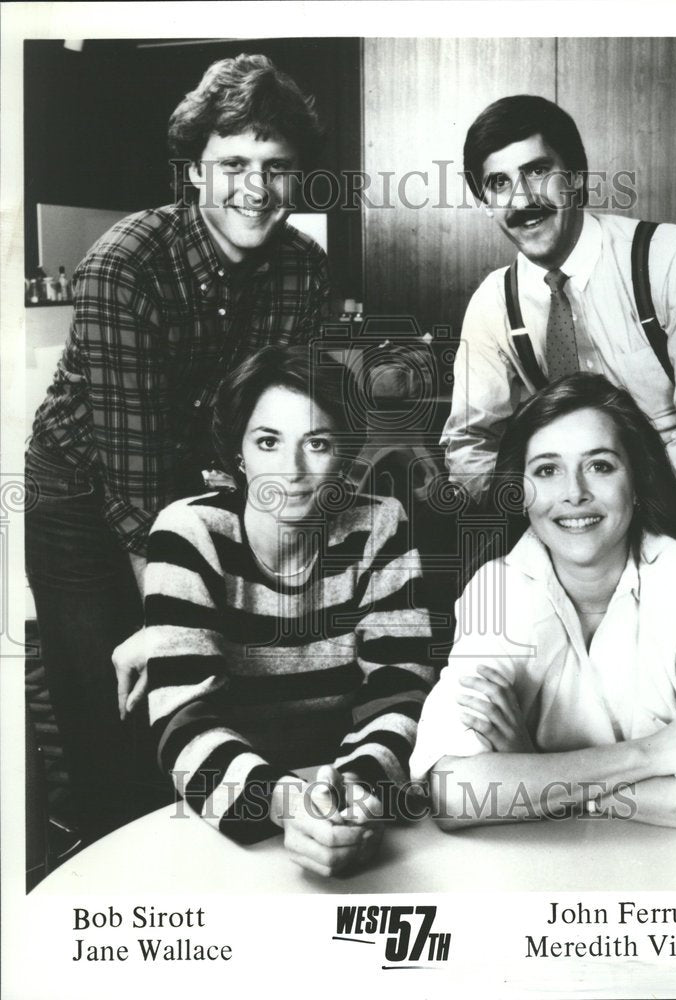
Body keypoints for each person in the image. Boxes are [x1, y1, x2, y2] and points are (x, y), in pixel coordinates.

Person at [25, 53, 330, 844]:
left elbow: (275, 434)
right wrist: (171, 622)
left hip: (193, 485)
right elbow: (131, 485)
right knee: (121, 694)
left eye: (276, 167)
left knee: (213, 682)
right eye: (233, 164)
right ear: (194, 170)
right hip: (84, 499)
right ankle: (96, 843)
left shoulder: (302, 270)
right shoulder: (126, 265)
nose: (255, 187)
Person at [116, 346, 435, 873]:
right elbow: (184, 719)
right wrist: (288, 803)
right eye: (268, 442)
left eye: (317, 443)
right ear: (238, 455)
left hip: (347, 786)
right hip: (226, 802)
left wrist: (356, 795)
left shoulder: (382, 523)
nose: (290, 470)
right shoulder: (188, 532)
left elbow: (402, 688)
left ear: (344, 455)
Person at [441, 95, 676, 609]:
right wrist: (545, 515)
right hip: (579, 521)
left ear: (577, 177)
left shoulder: (673, 258)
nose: (521, 200)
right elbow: (469, 443)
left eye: (538, 171)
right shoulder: (493, 303)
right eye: (498, 184)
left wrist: (621, 521)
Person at [412, 373, 676, 835]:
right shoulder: (495, 590)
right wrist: (653, 754)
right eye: (546, 470)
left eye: (599, 465)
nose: (573, 492)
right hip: (540, 873)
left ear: (636, 482)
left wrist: (537, 772)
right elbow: (453, 792)